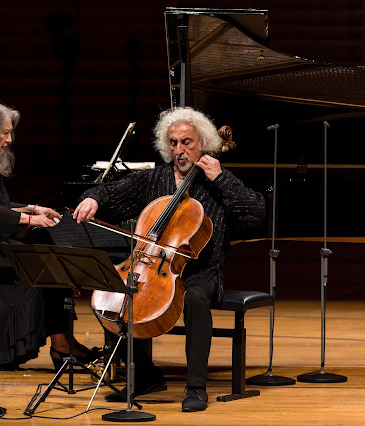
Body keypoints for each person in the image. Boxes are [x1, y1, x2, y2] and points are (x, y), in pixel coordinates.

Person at [73, 106, 266, 412]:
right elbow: (110, 192)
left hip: (202, 270)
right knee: (114, 295)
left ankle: (196, 386)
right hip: (153, 266)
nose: (180, 149)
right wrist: (93, 198)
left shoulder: (216, 180)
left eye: (186, 142)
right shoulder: (155, 178)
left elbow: (256, 211)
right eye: (173, 142)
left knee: (195, 300)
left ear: (202, 143)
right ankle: (147, 376)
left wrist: (221, 179)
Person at [0, 99, 101, 371]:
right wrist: (31, 219)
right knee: (45, 268)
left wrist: (35, 208)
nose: (9, 139)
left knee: (53, 264)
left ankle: (63, 344)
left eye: (10, 132)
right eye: (4, 132)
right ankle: (61, 346)